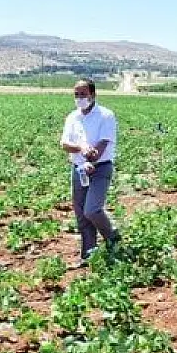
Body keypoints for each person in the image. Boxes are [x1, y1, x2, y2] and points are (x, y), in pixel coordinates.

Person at [61, 78, 120, 265]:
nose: (79, 98)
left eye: (83, 94)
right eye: (76, 94)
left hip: (100, 168)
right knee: (81, 214)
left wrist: (91, 157)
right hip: (79, 169)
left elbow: (103, 143)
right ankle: (88, 254)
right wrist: (80, 148)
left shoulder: (106, 115)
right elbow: (64, 144)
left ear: (93, 95)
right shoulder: (72, 117)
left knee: (92, 210)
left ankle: (112, 238)